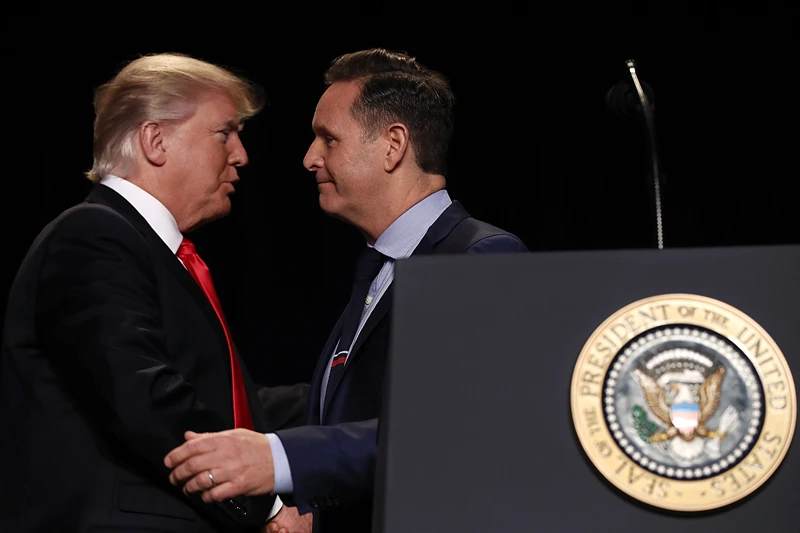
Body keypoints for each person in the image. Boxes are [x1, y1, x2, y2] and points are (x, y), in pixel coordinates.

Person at [164, 47, 529, 533]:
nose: (309, 158)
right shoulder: (378, 268)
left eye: (328, 139)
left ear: (393, 145)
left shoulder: (479, 258)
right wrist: (315, 517)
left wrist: (278, 457)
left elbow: (459, 434)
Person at [0, 52, 309, 533]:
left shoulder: (158, 253)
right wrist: (264, 504)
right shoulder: (93, 236)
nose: (241, 154)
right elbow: (146, 399)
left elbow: (229, 408)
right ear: (155, 140)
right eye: (224, 132)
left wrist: (345, 399)